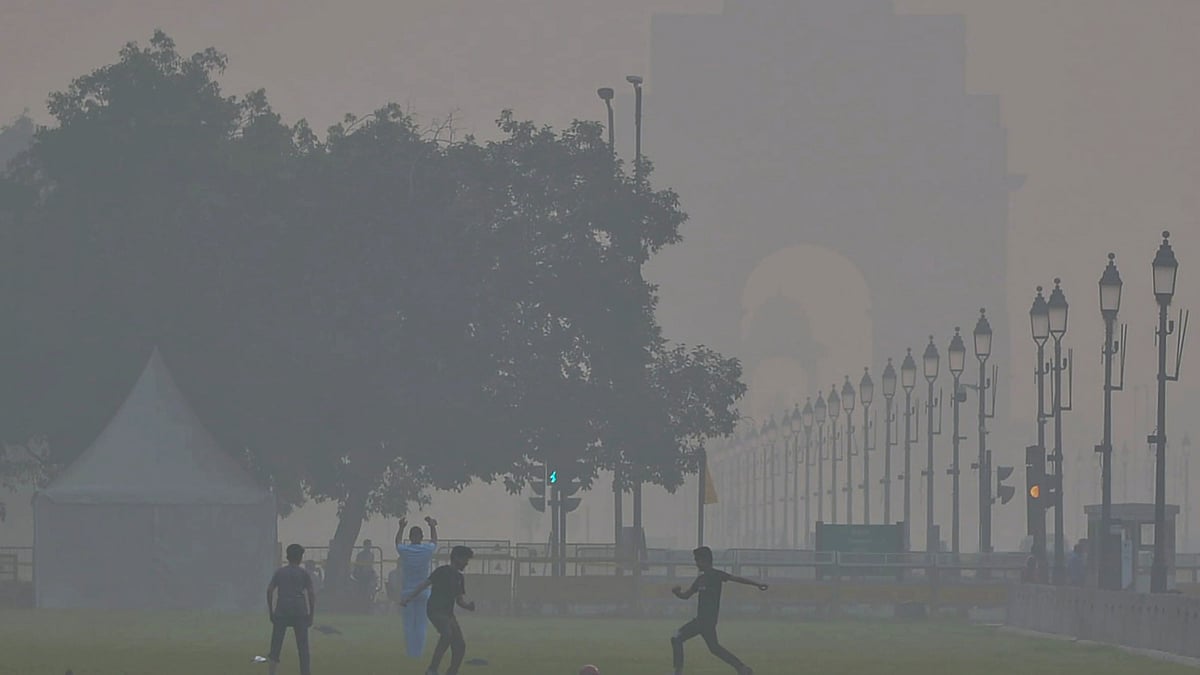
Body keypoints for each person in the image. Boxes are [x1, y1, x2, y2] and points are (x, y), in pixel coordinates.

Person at [669, 546, 765, 675]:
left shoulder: (716, 575)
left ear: (706, 560)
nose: (696, 563)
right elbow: (686, 596)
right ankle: (742, 668)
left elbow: (737, 579)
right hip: (702, 620)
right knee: (714, 648)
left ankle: (678, 672)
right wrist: (677, 593)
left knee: (677, 637)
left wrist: (757, 584)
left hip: (706, 621)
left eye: (698, 560)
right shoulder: (700, 579)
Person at [402, 545, 476, 675]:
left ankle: (452, 671)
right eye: (465, 559)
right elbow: (424, 584)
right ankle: (432, 669)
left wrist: (468, 606)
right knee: (447, 634)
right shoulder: (442, 571)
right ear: (457, 558)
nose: (467, 563)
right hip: (435, 610)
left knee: (460, 645)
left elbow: (459, 601)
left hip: (448, 613)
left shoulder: (459, 578)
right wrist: (408, 598)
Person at [266, 544, 316, 675]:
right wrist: (311, 614)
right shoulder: (303, 573)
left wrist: (271, 611)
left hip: (282, 610)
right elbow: (311, 593)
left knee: (276, 645)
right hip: (299, 611)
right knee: (303, 647)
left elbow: (270, 590)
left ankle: (272, 672)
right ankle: (305, 672)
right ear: (300, 558)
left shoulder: (280, 572)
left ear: (287, 557)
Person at [395, 515, 439, 657]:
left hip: (408, 592)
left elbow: (397, 542)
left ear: (410, 537)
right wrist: (432, 526)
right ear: (421, 537)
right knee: (421, 624)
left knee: (408, 625)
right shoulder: (426, 550)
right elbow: (434, 541)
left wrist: (401, 527)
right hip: (424, 591)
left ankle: (410, 652)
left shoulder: (405, 551)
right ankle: (418, 653)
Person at [353, 539, 377, 605]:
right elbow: (358, 566)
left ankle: (370, 597)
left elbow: (370, 566)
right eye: (367, 545)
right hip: (361, 574)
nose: (369, 547)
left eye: (370, 545)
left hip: (368, 574)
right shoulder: (360, 555)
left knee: (373, 581)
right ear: (364, 546)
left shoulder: (371, 555)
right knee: (362, 586)